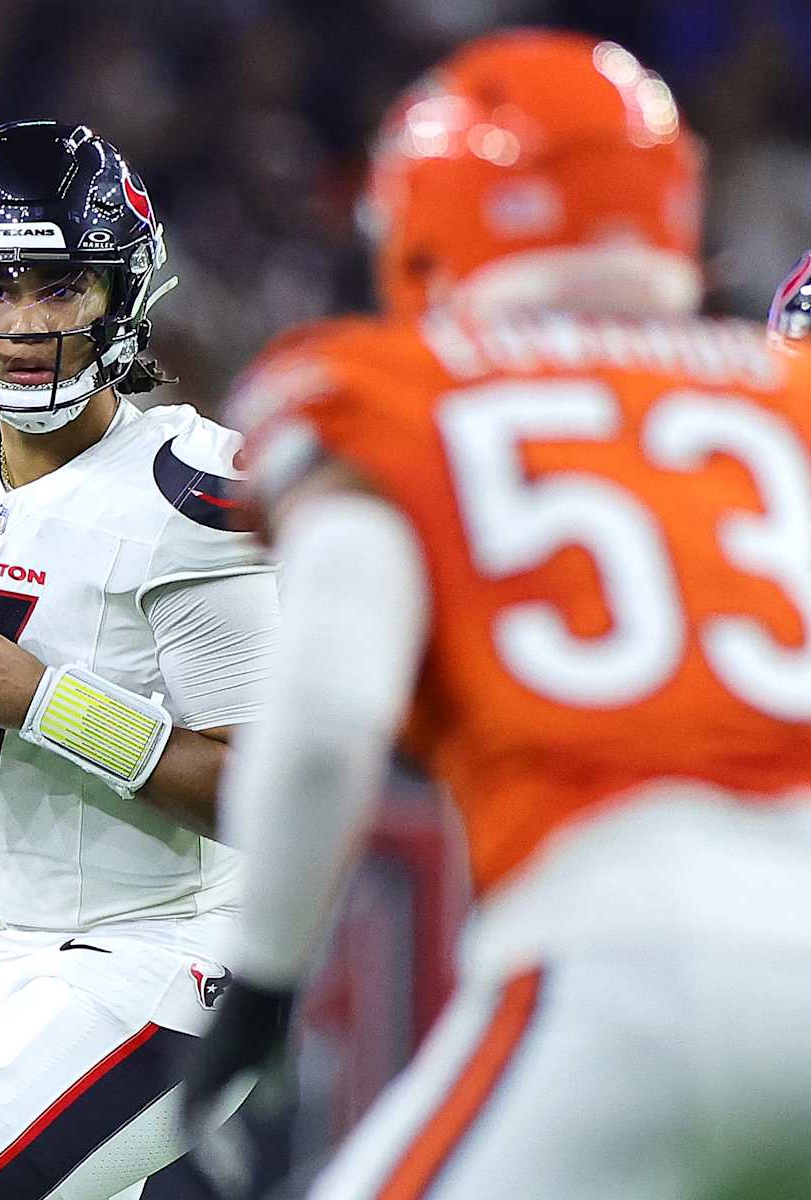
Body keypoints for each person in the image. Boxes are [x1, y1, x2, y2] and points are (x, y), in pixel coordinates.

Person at [186, 30, 811, 1199]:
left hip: (627, 955)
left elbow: (326, 718)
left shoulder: (385, 390)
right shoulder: (789, 391)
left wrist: (262, 980)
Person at [0, 120, 281, 1197]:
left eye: (61, 286)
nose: (26, 324)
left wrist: (44, 703)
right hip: (15, 946)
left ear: (122, 297)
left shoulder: (194, 496)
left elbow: (271, 800)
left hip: (174, 959)